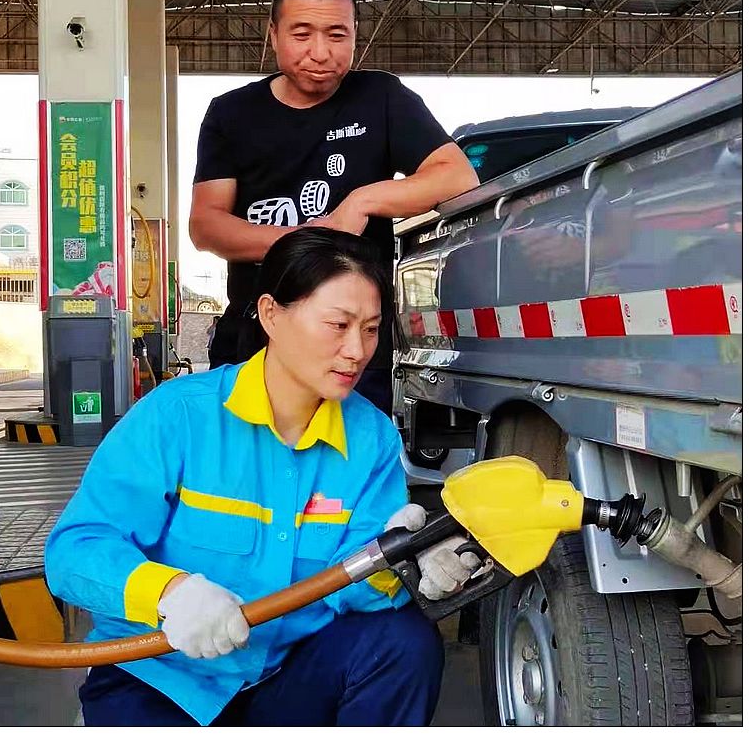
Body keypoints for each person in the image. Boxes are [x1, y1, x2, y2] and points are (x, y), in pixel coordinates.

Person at [45, 228, 480, 727]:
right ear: (272, 314)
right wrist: (170, 593)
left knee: (403, 643)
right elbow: (75, 551)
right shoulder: (178, 416)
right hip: (161, 674)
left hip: (284, 676)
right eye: (338, 325)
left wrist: (406, 564)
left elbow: (350, 583)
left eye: (371, 329)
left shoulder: (371, 438)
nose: (357, 350)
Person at [189, 0, 478, 416]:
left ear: (356, 34)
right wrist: (308, 239)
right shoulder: (232, 114)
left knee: (350, 457)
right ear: (274, 34)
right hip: (257, 337)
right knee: (247, 459)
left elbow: (457, 175)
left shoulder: (381, 98)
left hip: (354, 349)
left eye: (337, 35)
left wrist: (361, 202)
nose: (320, 53)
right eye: (302, 34)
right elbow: (206, 225)